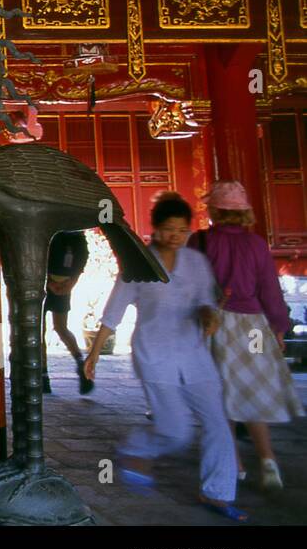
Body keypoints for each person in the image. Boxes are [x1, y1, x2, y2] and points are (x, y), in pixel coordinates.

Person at [84, 193, 246, 521]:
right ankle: (136, 449)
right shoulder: (139, 263)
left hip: (194, 355)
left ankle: (217, 492)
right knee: (175, 430)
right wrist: (94, 355)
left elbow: (205, 302)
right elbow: (113, 313)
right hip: (154, 356)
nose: (176, 236)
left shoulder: (196, 263)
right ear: (156, 229)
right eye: (170, 229)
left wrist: (209, 316)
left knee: (218, 423)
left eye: (183, 230)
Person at [190, 180, 303, 492]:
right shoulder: (256, 245)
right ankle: (268, 460)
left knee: (220, 395)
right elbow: (270, 290)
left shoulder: (200, 242)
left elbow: (189, 284)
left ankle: (235, 463)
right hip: (253, 327)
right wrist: (278, 328)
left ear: (214, 209)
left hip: (215, 324)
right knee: (250, 392)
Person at [42, 231, 92, 395]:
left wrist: (69, 282)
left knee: (51, 329)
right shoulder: (75, 232)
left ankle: (44, 376)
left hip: (54, 283)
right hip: (57, 282)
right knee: (59, 328)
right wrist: (70, 282)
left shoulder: (63, 231)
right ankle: (77, 363)